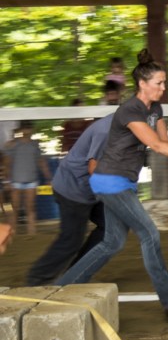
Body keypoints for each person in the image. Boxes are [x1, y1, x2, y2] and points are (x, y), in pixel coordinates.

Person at [54, 48, 168, 323]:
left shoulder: (156, 109)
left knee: (112, 242)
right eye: (158, 83)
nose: (163, 88)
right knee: (149, 234)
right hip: (108, 181)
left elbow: (165, 140)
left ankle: (62, 289)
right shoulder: (129, 110)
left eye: (164, 82)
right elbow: (157, 146)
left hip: (123, 182)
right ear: (143, 84)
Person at [26, 114, 113, 286]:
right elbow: (94, 170)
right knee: (71, 240)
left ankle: (76, 273)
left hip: (90, 190)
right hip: (73, 190)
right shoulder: (105, 132)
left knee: (111, 227)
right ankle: (38, 277)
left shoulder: (124, 131)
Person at [3, 120, 52, 236]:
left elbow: (42, 162)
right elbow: (7, 163)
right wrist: (6, 180)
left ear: (32, 129)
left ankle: (32, 233)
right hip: (15, 181)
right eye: (25, 128)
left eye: (28, 128)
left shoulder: (35, 145)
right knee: (15, 209)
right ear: (21, 129)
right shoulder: (13, 145)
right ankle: (12, 232)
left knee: (30, 208)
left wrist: (48, 177)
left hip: (31, 181)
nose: (27, 130)